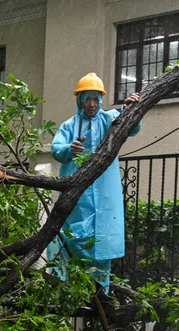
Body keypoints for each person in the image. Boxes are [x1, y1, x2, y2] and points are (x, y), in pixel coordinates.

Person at [49, 72, 142, 291]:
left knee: (102, 239)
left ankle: (100, 291)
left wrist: (130, 110)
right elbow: (56, 149)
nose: (91, 104)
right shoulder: (69, 125)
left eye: (95, 99)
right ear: (79, 100)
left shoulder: (110, 119)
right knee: (73, 234)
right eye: (87, 98)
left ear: (101, 100)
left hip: (105, 190)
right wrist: (69, 149)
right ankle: (67, 288)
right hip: (78, 193)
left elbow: (133, 128)